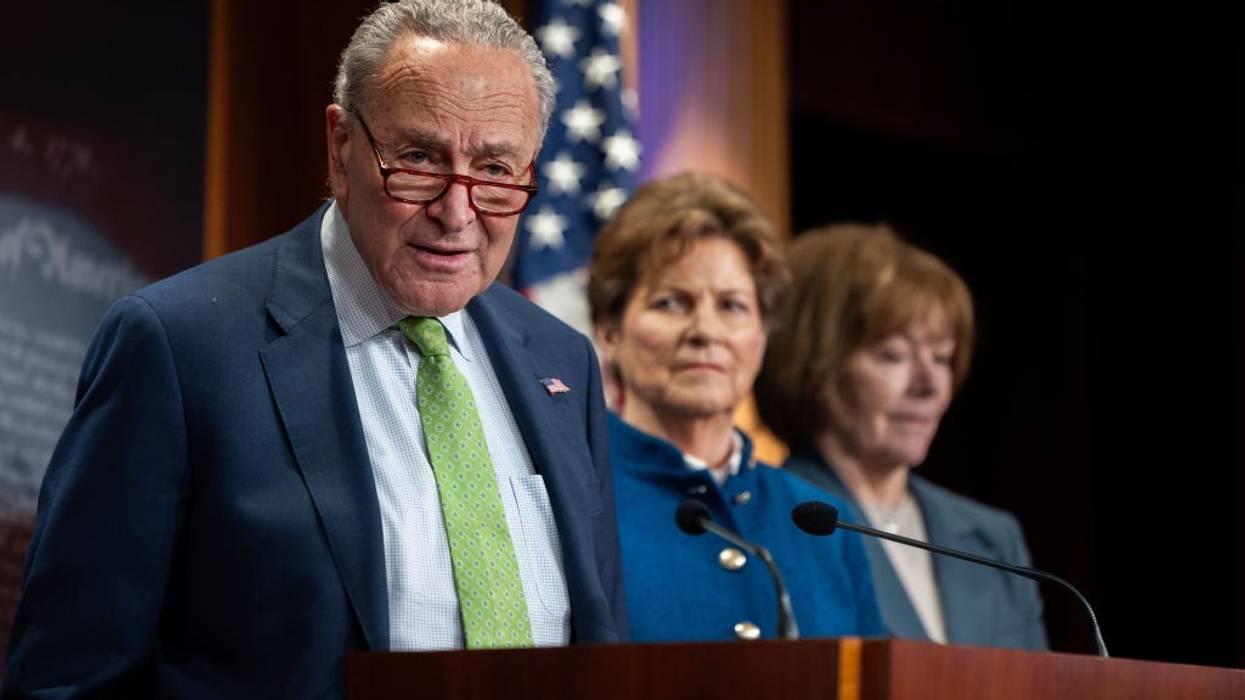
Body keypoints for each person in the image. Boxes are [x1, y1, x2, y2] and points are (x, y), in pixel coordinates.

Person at [2, 1, 626, 696]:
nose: (458, 211)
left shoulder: (559, 360)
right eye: (418, 159)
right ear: (341, 149)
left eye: (495, 169)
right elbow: (67, 680)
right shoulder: (178, 347)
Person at [588, 172, 884, 642]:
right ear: (609, 330)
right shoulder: (575, 499)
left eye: (732, 306)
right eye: (671, 302)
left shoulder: (825, 524)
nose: (706, 331)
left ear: (763, 336)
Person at [755, 223, 1047, 650]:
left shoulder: (993, 538)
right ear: (811, 362)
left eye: (942, 358)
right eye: (893, 355)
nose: (929, 384)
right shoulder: (764, 521)